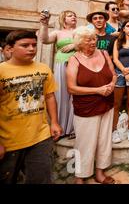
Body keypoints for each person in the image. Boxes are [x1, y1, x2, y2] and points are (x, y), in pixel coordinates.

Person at [0, 31, 62, 184]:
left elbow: (49, 96)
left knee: (41, 179)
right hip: (8, 141)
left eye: (34, 45)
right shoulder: (2, 71)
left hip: (40, 137)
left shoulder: (44, 69)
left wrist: (54, 122)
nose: (31, 49)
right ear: (10, 48)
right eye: (25, 45)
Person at [66, 26, 117, 184]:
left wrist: (112, 85)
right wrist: (98, 90)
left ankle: (100, 173)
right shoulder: (74, 60)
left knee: (104, 140)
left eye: (94, 38)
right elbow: (71, 88)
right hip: (86, 108)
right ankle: (79, 177)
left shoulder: (103, 53)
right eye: (89, 40)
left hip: (107, 104)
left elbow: (114, 74)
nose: (93, 42)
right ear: (80, 43)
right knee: (84, 143)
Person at [38, 10, 77, 139]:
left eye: (75, 16)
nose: (74, 17)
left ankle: (73, 128)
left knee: (75, 95)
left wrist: (74, 44)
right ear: (63, 19)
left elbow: (88, 43)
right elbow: (44, 40)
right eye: (70, 16)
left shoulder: (79, 32)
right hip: (61, 64)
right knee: (61, 94)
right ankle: (59, 127)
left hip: (77, 64)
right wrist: (44, 24)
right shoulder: (58, 33)